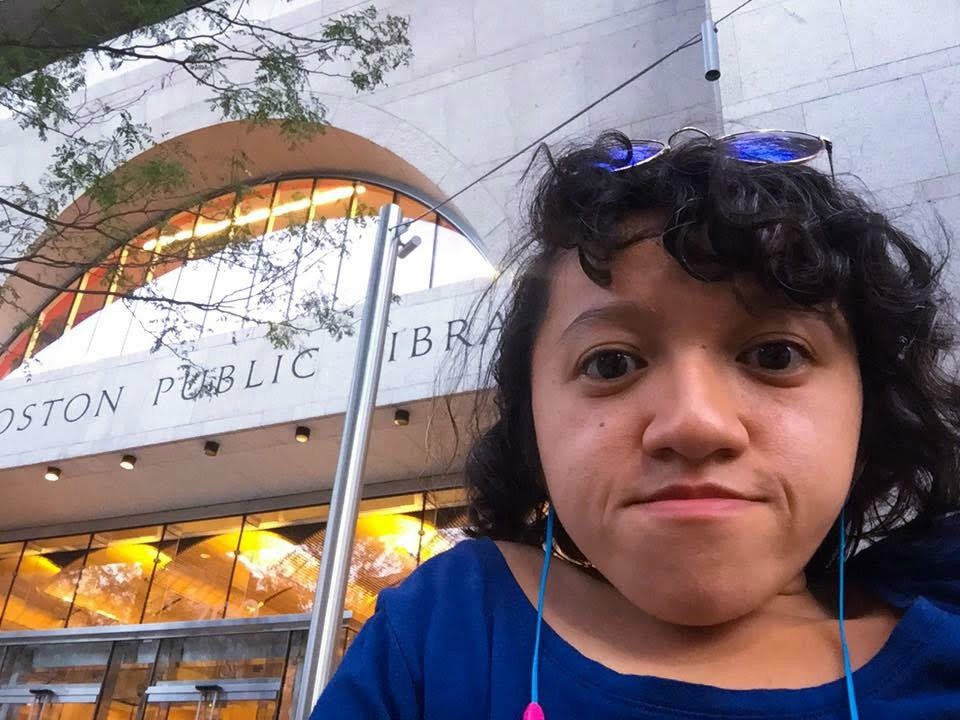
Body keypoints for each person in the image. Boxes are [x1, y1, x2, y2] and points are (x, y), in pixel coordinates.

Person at [310, 129, 960, 719]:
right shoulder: (447, 631)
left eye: (774, 356)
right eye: (612, 363)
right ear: (532, 425)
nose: (695, 424)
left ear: (869, 410)